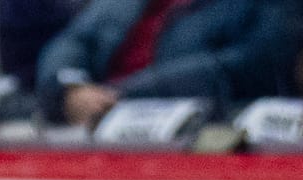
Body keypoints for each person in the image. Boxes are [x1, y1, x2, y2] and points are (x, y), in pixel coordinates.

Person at [35, 0, 303, 129]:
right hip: (87, 120)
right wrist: (70, 87)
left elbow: (240, 68)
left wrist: (119, 98)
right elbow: (74, 39)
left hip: (189, 135)